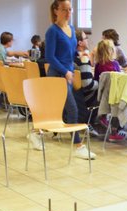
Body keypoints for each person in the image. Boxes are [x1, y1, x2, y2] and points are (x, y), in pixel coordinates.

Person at [44, 0, 96, 159]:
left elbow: (68, 51)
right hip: (58, 74)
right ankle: (79, 146)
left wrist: (78, 56)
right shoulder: (52, 31)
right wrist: (65, 71)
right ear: (56, 11)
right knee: (72, 109)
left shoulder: (72, 29)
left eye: (70, 9)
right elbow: (50, 57)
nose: (68, 12)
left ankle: (35, 133)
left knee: (54, 110)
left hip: (68, 74)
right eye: (64, 9)